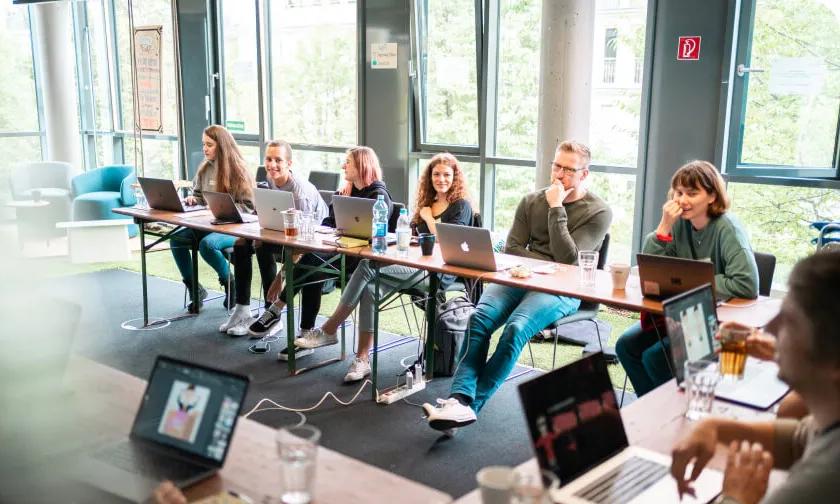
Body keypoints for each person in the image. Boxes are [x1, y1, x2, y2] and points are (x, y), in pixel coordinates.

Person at [422, 141, 612, 433]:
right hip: (519, 276)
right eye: (556, 166)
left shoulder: (598, 212)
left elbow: (570, 262)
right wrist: (543, 261)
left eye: (568, 170)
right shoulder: (530, 200)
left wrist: (556, 207)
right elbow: (511, 249)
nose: (559, 175)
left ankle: (468, 408)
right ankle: (458, 399)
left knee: (515, 328)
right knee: (478, 319)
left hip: (565, 289)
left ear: (584, 175)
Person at [663, 250, 840, 504]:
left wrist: (734, 501)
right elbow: (802, 438)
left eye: (790, 321)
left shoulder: (826, 478)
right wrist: (715, 426)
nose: (769, 330)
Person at [294, 152, 475, 382]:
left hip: (438, 274)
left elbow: (450, 240)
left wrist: (429, 219)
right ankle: (362, 360)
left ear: (455, 177)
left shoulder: (461, 206)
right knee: (370, 286)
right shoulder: (427, 203)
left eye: (447, 175)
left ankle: (329, 329)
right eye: (436, 174)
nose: (441, 179)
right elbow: (411, 236)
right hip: (413, 263)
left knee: (368, 265)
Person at [615, 161, 759, 397]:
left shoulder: (728, 228)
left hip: (717, 320)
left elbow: (746, 284)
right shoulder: (679, 225)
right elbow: (652, 270)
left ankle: (678, 415)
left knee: (655, 358)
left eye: (692, 194)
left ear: (712, 196)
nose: (682, 200)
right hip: (680, 314)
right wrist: (664, 227)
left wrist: (693, 282)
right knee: (626, 347)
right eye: (679, 193)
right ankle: (651, 409)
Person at [239, 146, 392, 361]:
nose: (343, 166)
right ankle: (305, 336)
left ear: (362, 165)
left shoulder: (379, 196)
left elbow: (378, 235)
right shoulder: (345, 191)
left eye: (348, 162)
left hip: (358, 260)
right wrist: (333, 229)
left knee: (312, 263)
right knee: (312, 267)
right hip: (337, 250)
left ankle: (277, 309)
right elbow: (328, 222)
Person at [219, 140, 328, 336]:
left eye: (278, 160)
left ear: (289, 164)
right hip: (283, 233)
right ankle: (242, 308)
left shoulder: (299, 194)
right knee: (242, 243)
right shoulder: (270, 180)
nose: (272, 165)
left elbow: (301, 246)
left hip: (312, 244)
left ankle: (272, 314)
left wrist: (280, 279)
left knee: (263, 245)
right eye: (269, 159)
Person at [169, 125, 255, 312]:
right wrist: (194, 200)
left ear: (222, 146)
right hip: (209, 224)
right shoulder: (205, 169)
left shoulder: (239, 171)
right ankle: (195, 289)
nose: (204, 149)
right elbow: (200, 196)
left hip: (235, 228)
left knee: (207, 245)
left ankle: (229, 281)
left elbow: (249, 207)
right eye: (203, 144)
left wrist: (221, 207)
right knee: (176, 239)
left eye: (209, 145)